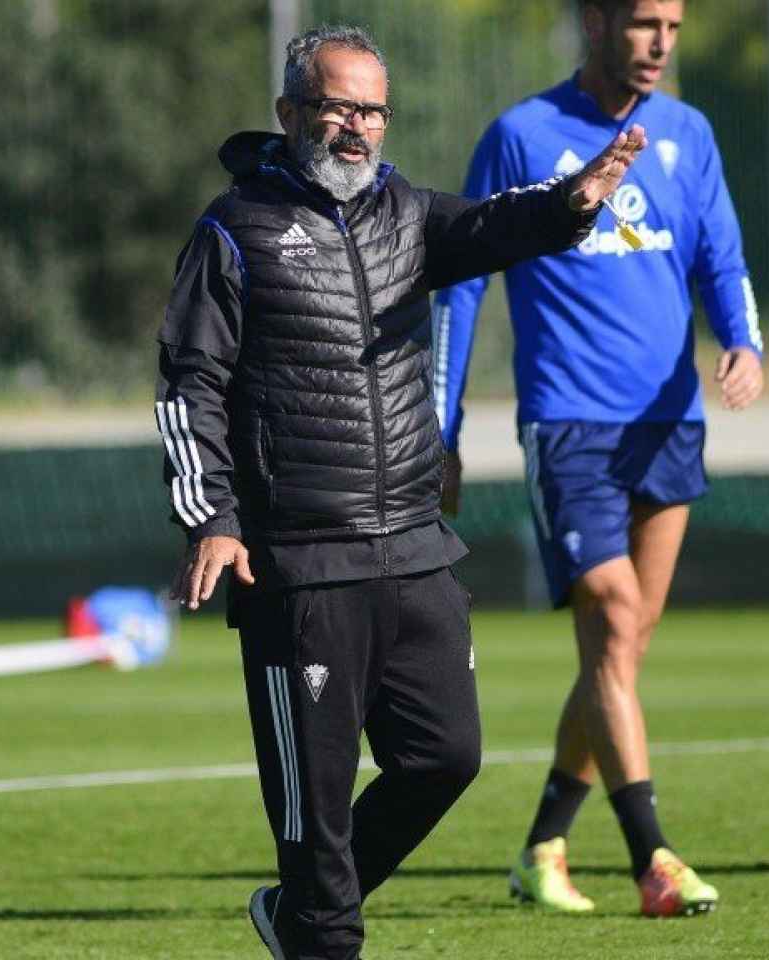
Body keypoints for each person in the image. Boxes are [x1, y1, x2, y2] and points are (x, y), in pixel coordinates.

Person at [154, 25, 647, 959]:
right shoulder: (234, 230)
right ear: (289, 112)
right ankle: (318, 925)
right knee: (317, 820)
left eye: (373, 110)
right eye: (340, 106)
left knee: (445, 757)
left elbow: (498, 225)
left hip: (417, 550)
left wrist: (574, 201)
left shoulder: (406, 213)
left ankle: (301, 914)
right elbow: (189, 385)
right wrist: (210, 518)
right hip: (301, 565)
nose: (358, 128)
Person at [433, 0, 762, 917]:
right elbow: (459, 283)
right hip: (568, 424)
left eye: (675, 27)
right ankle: (653, 859)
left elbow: (721, 258)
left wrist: (744, 341)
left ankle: (542, 847)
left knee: (622, 649)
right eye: (643, 22)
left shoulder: (689, 133)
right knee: (615, 623)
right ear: (594, 20)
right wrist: (441, 428)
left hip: (668, 423)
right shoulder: (521, 136)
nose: (660, 42)